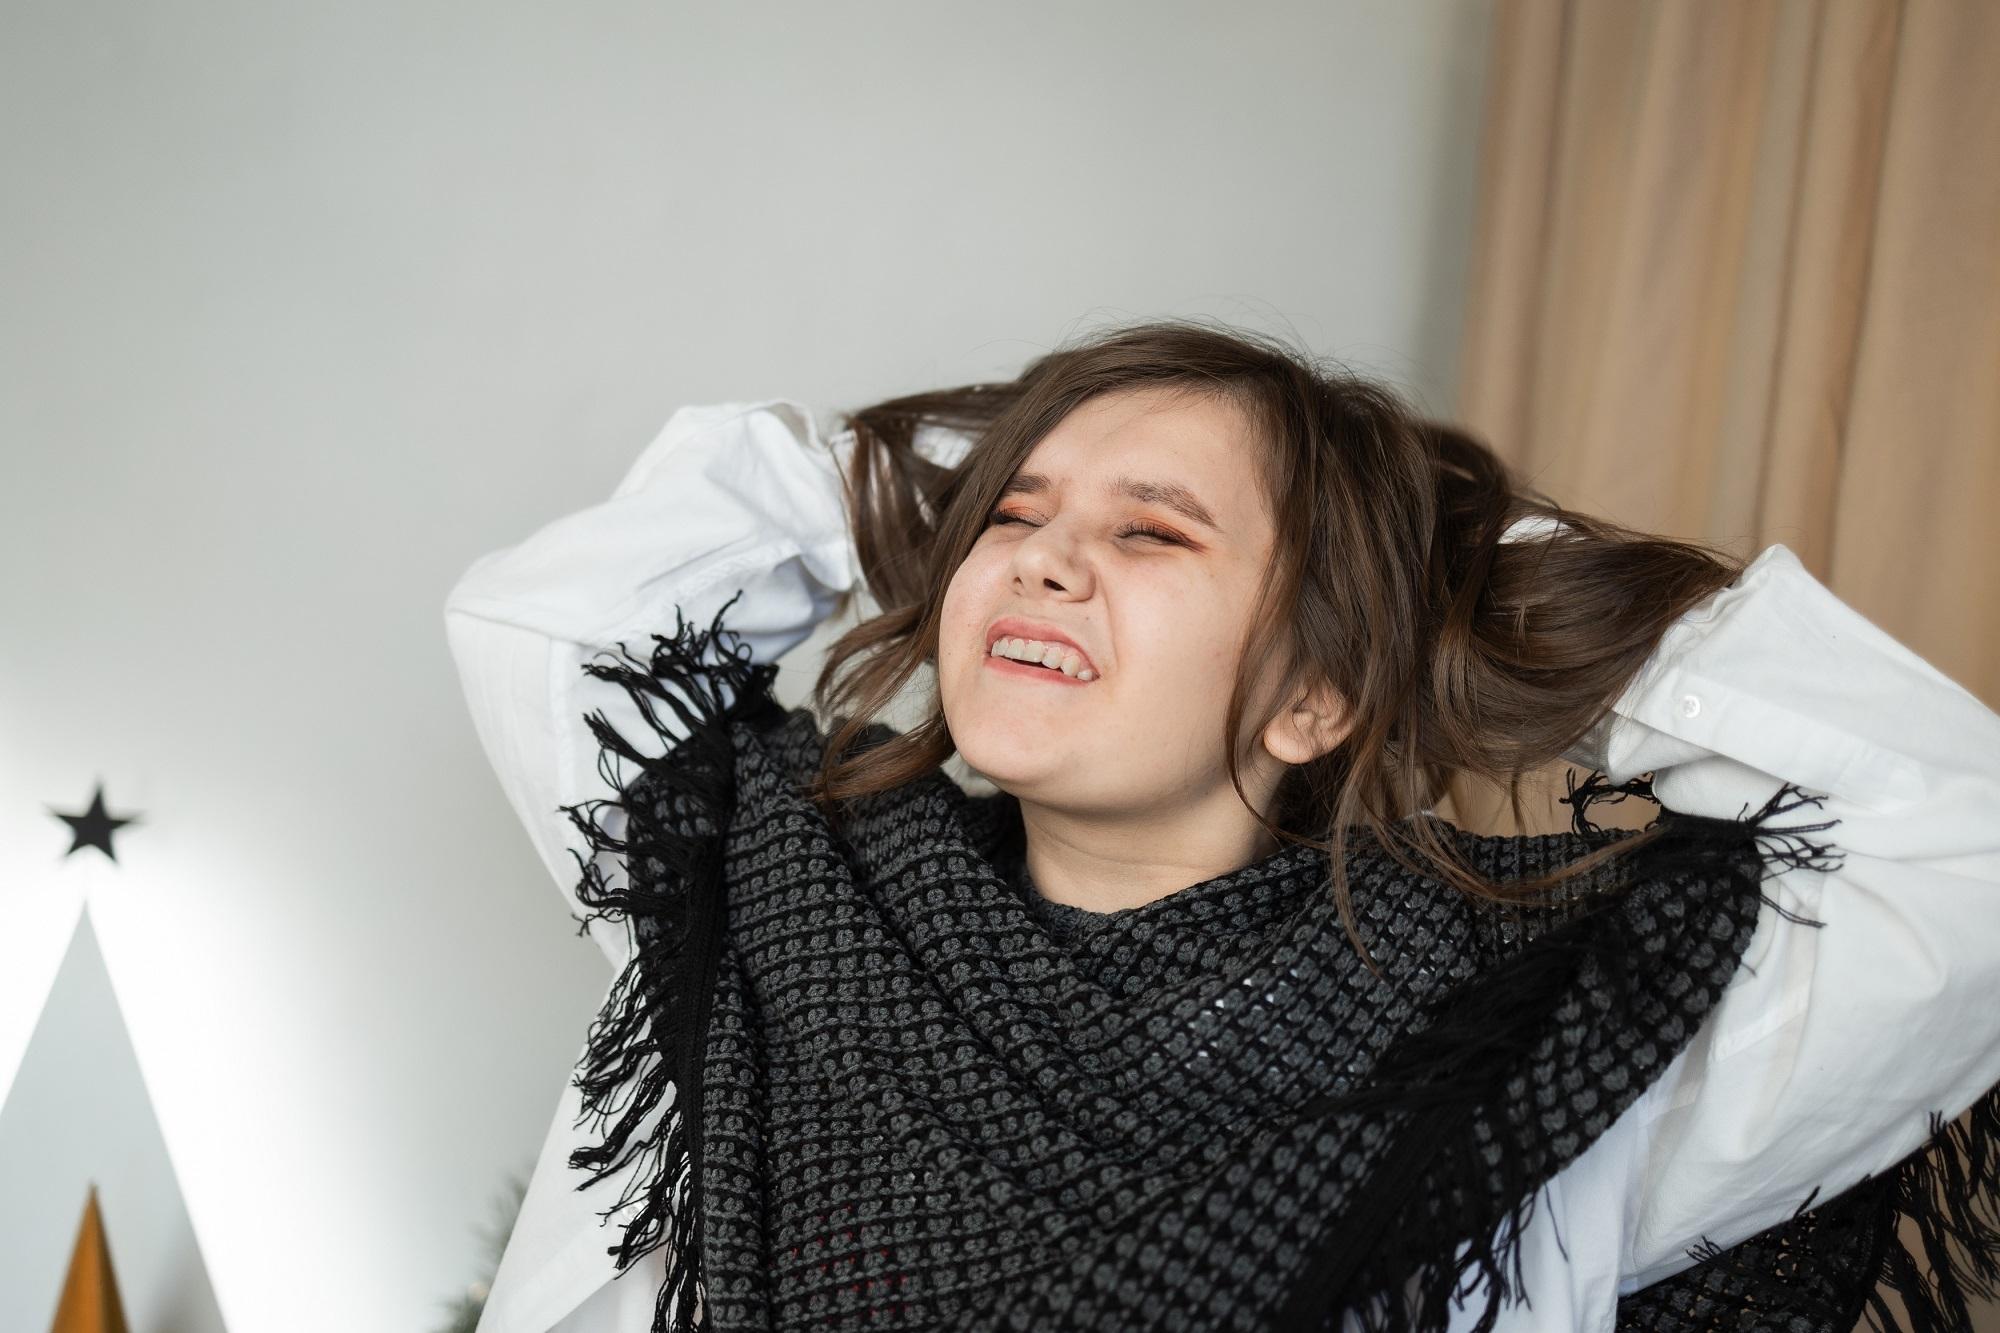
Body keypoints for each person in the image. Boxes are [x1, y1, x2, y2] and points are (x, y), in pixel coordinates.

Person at [445, 320, 2000, 1333]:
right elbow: (553, 621)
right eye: (1010, 514)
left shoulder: (1515, 1050)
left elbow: (1962, 849)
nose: (1042, 558)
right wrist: (935, 481)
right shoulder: (772, 878)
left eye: (1150, 530)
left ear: (1315, 693)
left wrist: (1459, 583)